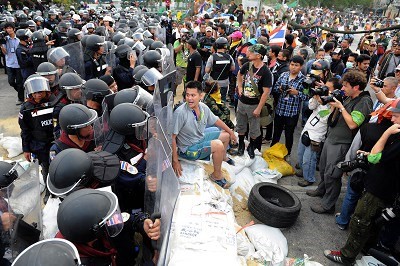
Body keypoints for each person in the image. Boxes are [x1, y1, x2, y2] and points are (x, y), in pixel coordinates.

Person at [324, 99, 400, 265]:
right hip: (384, 186)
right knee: (372, 223)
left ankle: (346, 256)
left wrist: (386, 133)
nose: (392, 119)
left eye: (396, 116)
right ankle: (366, 248)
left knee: (360, 220)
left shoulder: (396, 136)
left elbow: (375, 156)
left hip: (380, 188)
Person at [308, 70, 373, 214]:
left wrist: (341, 107)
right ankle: (322, 190)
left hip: (342, 143)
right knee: (324, 168)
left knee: (333, 174)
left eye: (345, 86)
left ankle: (328, 205)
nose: (342, 89)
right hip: (332, 138)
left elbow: (353, 124)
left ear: (356, 87)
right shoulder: (350, 97)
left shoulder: (364, 101)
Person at [56, 189, 160, 265]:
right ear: (94, 233)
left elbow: (126, 219)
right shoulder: (79, 261)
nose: (111, 220)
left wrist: (142, 222)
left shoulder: (92, 224)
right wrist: (151, 263)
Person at [172, 81, 237, 188]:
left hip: (199, 138)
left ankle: (223, 158)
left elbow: (216, 120)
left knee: (226, 135)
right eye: (187, 95)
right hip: (189, 149)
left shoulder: (203, 107)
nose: (189, 98)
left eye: (193, 95)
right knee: (218, 145)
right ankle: (216, 175)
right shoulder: (180, 113)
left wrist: (231, 132)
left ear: (201, 95)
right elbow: (172, 137)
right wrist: (175, 161)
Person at [18, 75, 54, 203]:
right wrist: (26, 149)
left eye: (40, 92)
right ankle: (49, 192)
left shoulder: (53, 101)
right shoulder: (26, 108)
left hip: (54, 141)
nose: (38, 95)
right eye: (35, 92)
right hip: (39, 145)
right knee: (46, 168)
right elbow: (25, 131)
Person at [236, 44, 273, 158]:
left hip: (254, 104)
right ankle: (241, 145)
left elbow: (266, 92)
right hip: (242, 102)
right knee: (241, 126)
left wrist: (259, 108)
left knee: (254, 129)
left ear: (258, 56)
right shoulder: (247, 65)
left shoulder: (266, 72)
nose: (247, 53)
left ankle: (252, 147)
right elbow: (239, 74)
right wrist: (240, 87)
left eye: (251, 52)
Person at [271, 55, 307, 159]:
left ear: (301, 67)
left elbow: (306, 97)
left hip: (292, 112)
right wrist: (281, 89)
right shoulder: (283, 75)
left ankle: (287, 154)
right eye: (292, 64)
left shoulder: (303, 80)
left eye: (296, 65)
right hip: (280, 110)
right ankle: (272, 152)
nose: (293, 67)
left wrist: (297, 93)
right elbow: (276, 88)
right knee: (276, 133)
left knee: (289, 135)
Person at [205, 37, 235, 103]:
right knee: (222, 99)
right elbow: (233, 68)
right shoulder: (229, 57)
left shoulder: (212, 57)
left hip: (213, 83)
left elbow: (207, 70)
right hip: (225, 82)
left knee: (213, 100)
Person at [1, 22, 24, 105]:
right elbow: (5, 52)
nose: (9, 30)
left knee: (19, 82)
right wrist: (1, 45)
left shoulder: (19, 38)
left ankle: (20, 98)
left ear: (14, 29)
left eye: (10, 28)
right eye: (7, 28)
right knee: (11, 82)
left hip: (18, 64)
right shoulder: (5, 39)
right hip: (9, 63)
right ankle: (21, 92)